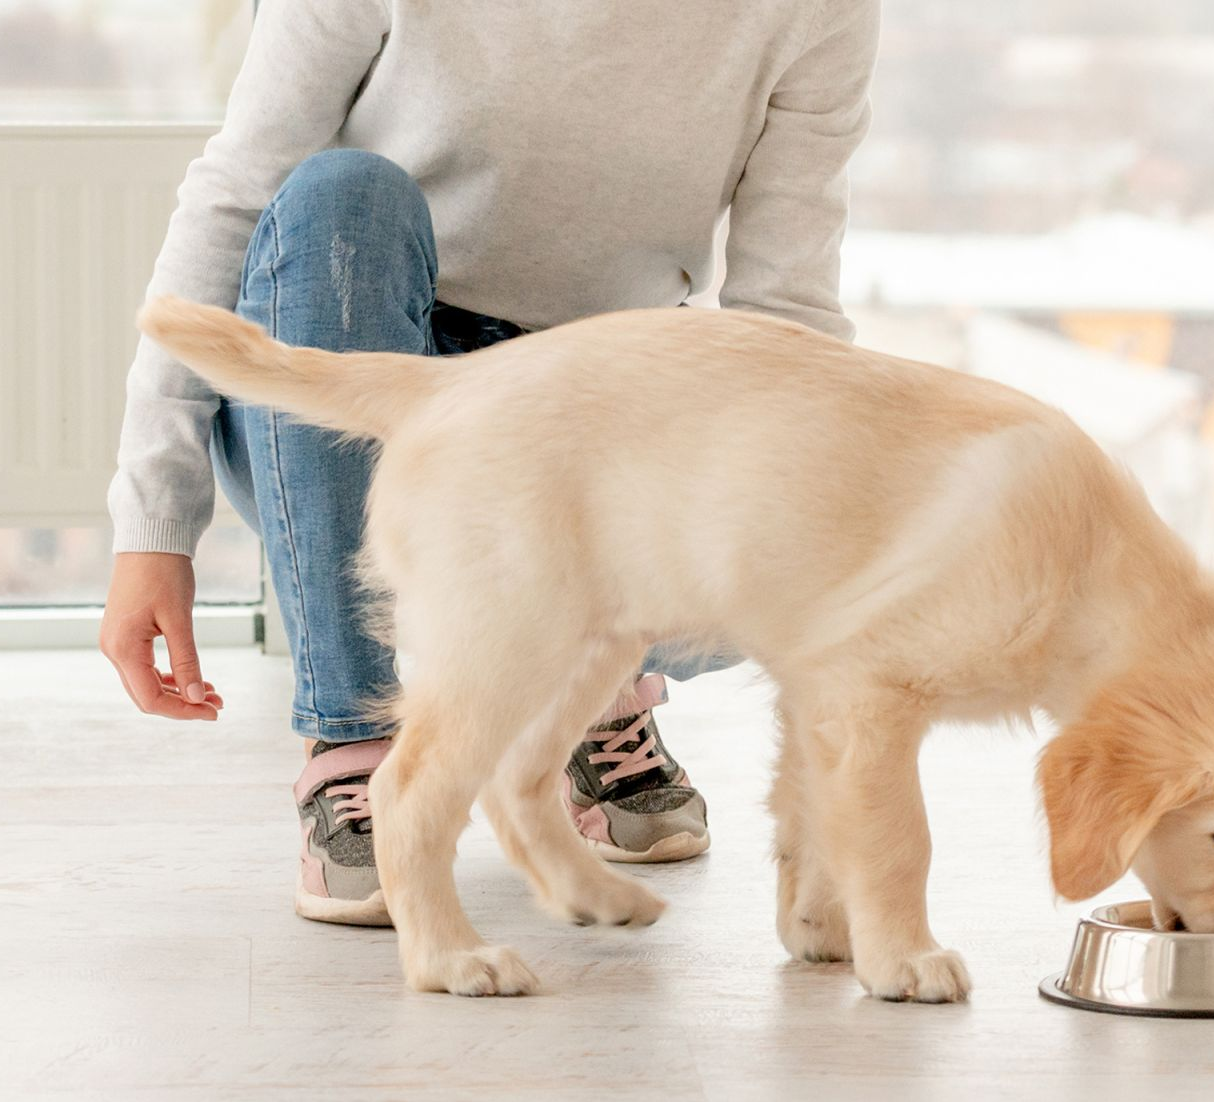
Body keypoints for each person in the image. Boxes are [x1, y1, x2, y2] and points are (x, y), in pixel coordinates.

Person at [98, 0, 879, 925]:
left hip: (589, 428)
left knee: (796, 469)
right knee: (338, 196)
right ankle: (353, 742)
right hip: (366, 418)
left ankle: (583, 695)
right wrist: (153, 526)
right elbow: (236, 193)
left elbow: (782, 317)